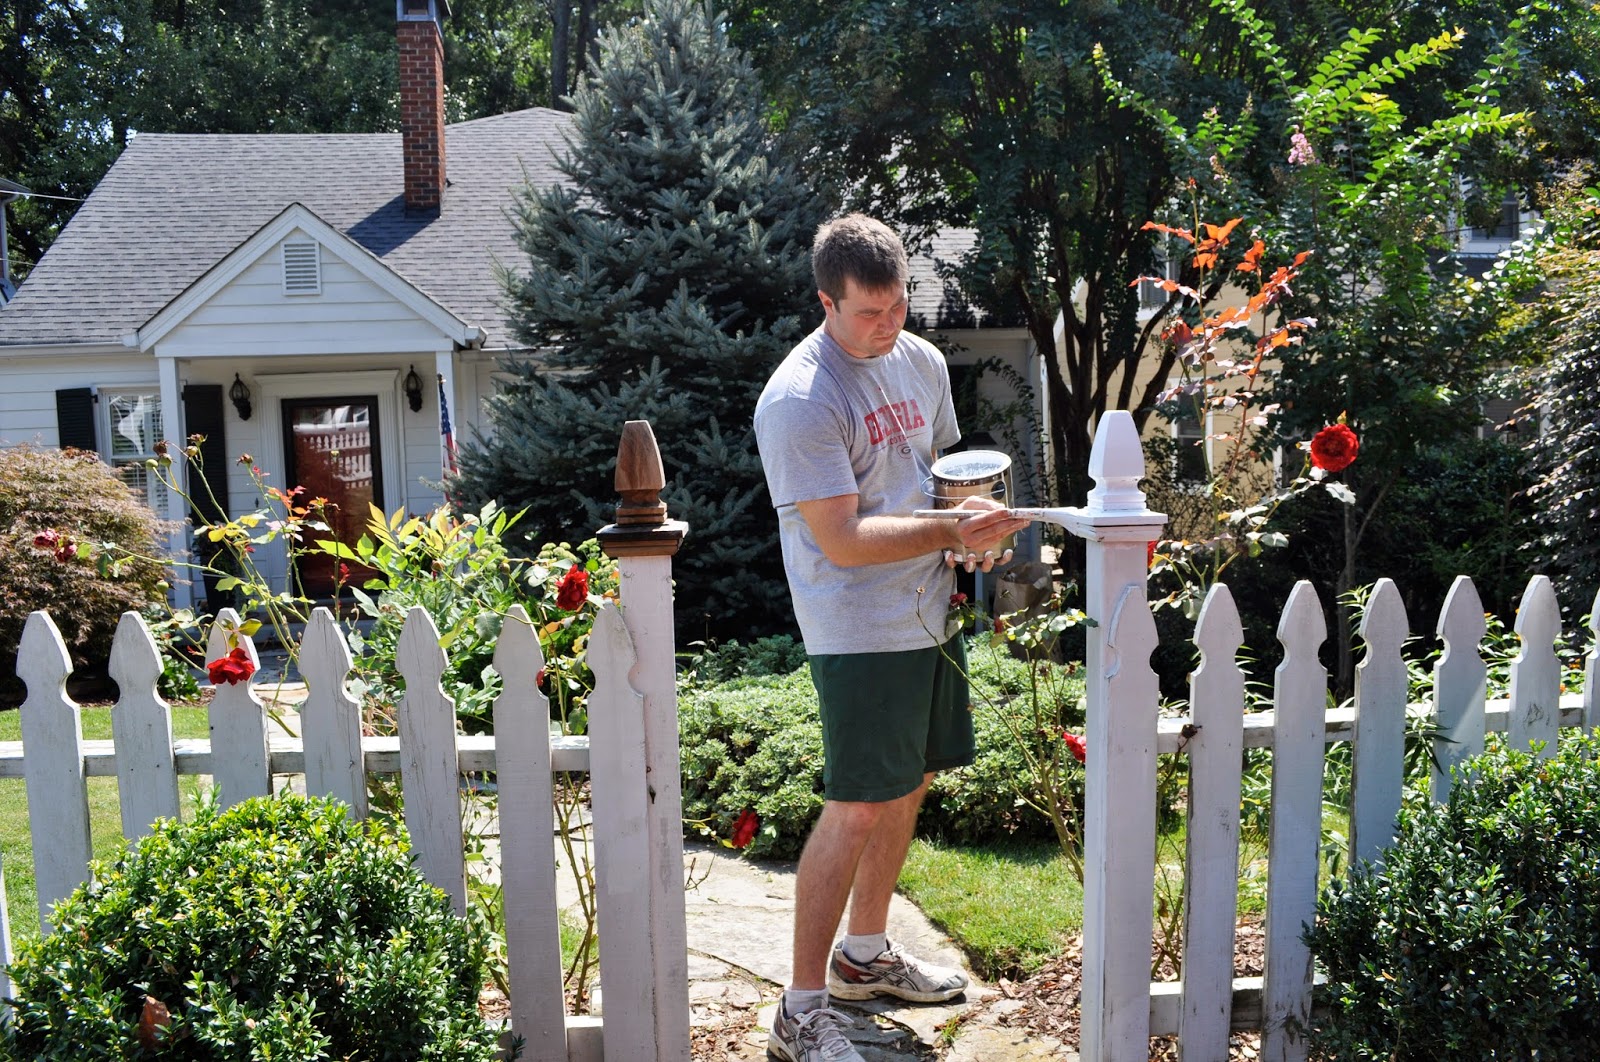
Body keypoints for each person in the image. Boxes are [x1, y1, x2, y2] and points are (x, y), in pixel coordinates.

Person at [754, 214, 1030, 1062]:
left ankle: (863, 958)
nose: (888, 323)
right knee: (857, 804)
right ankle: (801, 1011)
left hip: (926, 611)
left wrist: (972, 529)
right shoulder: (802, 398)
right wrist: (948, 533)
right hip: (857, 628)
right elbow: (841, 540)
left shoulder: (922, 361)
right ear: (826, 303)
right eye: (869, 312)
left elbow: (936, 480)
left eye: (898, 303)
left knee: (908, 784)